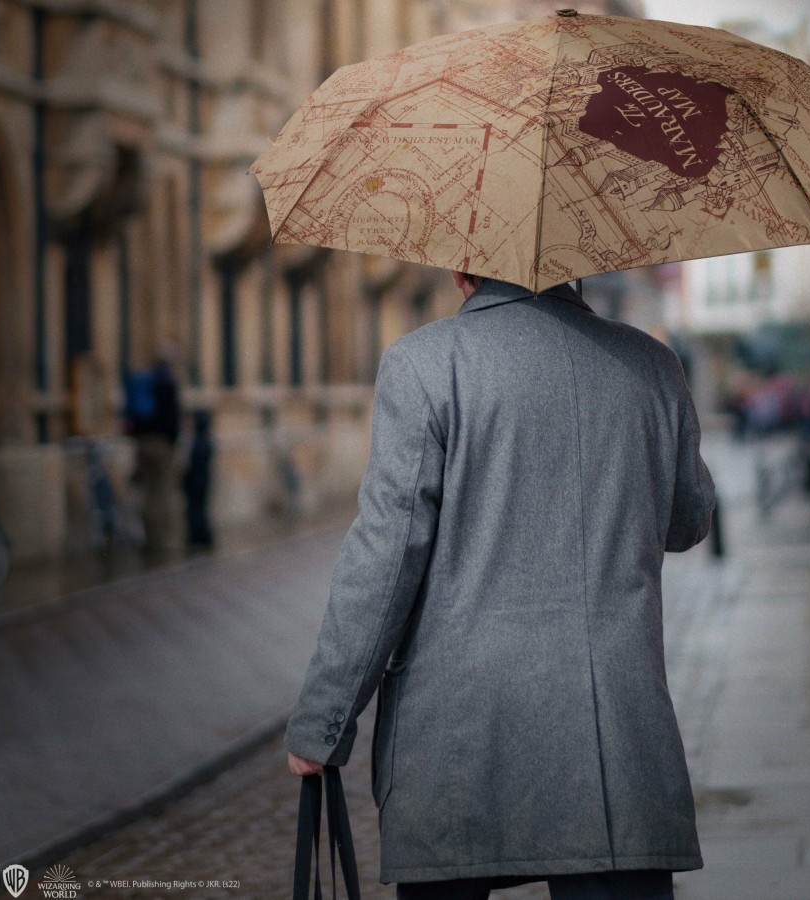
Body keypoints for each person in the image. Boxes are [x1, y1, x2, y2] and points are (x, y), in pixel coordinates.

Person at [285, 273, 715, 900]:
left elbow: (385, 555)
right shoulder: (652, 364)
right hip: (615, 733)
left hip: (459, 735)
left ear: (462, 268)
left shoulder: (425, 364)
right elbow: (687, 521)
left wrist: (324, 722)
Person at [125, 355, 181, 553]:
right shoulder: (168, 386)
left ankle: (148, 537)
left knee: (148, 491)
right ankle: (161, 541)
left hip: (142, 443)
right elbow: (173, 422)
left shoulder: (145, 385)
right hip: (162, 445)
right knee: (162, 492)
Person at [182, 409, 215, 549]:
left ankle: (199, 537)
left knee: (196, 510)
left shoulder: (199, 442)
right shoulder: (206, 440)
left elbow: (194, 465)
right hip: (202, 481)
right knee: (200, 509)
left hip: (197, 482)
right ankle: (203, 536)